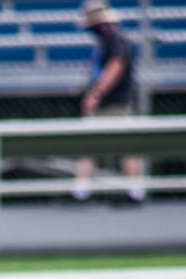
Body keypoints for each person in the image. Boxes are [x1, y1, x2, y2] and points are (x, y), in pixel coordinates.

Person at [72, 0, 147, 206]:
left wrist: (96, 94)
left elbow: (115, 66)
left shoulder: (115, 40)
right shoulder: (106, 41)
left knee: (125, 146)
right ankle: (80, 192)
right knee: (89, 147)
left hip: (115, 103)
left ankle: (135, 191)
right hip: (107, 103)